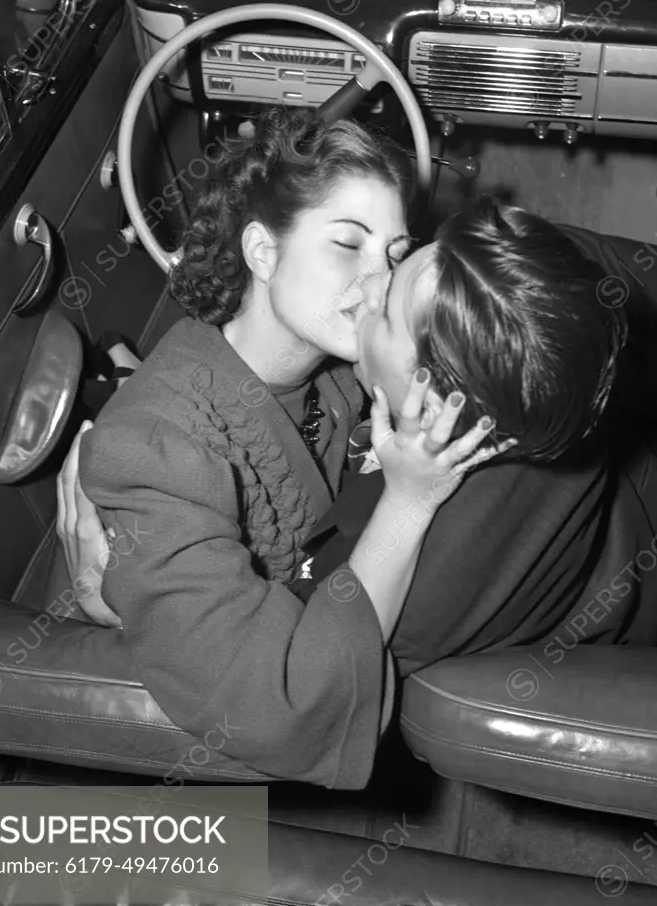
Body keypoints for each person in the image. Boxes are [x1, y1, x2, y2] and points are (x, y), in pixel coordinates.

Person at [53, 106, 504, 791]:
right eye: (347, 244)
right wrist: (407, 502)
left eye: (392, 253)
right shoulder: (154, 445)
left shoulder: (343, 362)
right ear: (262, 252)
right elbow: (276, 706)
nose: (382, 282)